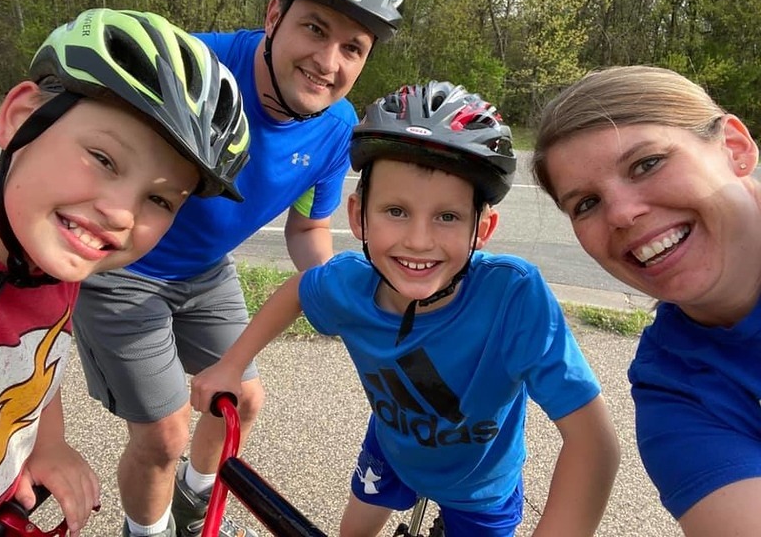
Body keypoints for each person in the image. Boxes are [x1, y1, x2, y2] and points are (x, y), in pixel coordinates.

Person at [70, 0, 406, 536]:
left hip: (204, 271)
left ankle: (194, 503)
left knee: (242, 403)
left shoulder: (337, 128)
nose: (328, 62)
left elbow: (306, 229)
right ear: (275, 17)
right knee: (164, 435)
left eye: (352, 47)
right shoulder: (188, 65)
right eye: (314, 28)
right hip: (123, 271)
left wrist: (332, 289)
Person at [190, 81, 621, 537]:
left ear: (483, 227)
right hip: (393, 452)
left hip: (480, 485)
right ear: (358, 216)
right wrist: (232, 366)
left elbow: (594, 444)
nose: (418, 240)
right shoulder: (351, 284)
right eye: (395, 211)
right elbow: (298, 291)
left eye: (448, 216)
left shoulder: (513, 298)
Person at [0, 7, 250, 537]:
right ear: (21, 118)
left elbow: (36, 357)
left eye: (160, 199)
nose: (121, 215)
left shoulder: (53, 249)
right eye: (105, 158)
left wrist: (45, 443)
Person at [531, 65, 761, 537]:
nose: (621, 213)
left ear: (734, 148)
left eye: (647, 164)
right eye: (586, 204)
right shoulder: (674, 392)